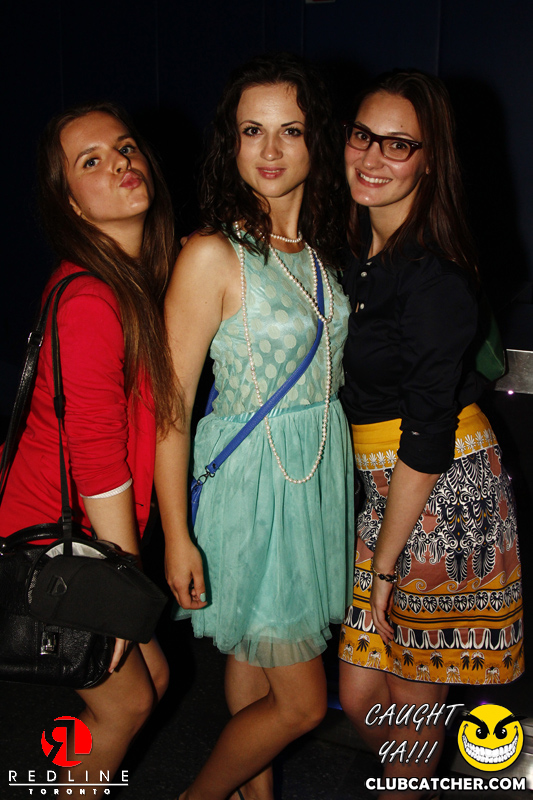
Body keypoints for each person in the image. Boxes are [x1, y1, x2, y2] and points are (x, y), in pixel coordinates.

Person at [156, 53, 354, 800]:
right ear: (231, 143)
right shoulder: (212, 255)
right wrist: (175, 534)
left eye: (290, 130)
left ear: (316, 141)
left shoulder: (321, 254)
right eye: (251, 130)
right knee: (301, 705)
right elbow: (171, 409)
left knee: (252, 663)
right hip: (252, 487)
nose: (269, 149)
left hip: (312, 480)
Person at [338, 70, 524, 800]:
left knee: (409, 712)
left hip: (443, 495)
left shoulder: (433, 275)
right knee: (360, 694)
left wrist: (385, 567)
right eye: (363, 136)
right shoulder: (360, 252)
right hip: (383, 494)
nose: (372, 157)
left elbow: (425, 435)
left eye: (398, 144)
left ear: (429, 160)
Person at [0, 101, 178, 799]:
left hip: (73, 533)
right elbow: (99, 459)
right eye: (92, 161)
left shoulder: (124, 283)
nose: (121, 163)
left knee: (149, 680)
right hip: (56, 539)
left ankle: (69, 774)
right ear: (70, 202)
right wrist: (124, 587)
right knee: (125, 703)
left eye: (125, 147)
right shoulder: (90, 300)